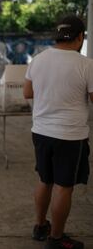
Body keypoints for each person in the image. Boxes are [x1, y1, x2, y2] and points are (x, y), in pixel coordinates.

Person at [24, 15, 93, 249]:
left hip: (41, 132)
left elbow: (27, 92)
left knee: (45, 179)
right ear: (80, 37)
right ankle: (56, 238)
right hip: (70, 136)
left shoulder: (38, 59)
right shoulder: (86, 64)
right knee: (64, 185)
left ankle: (40, 225)